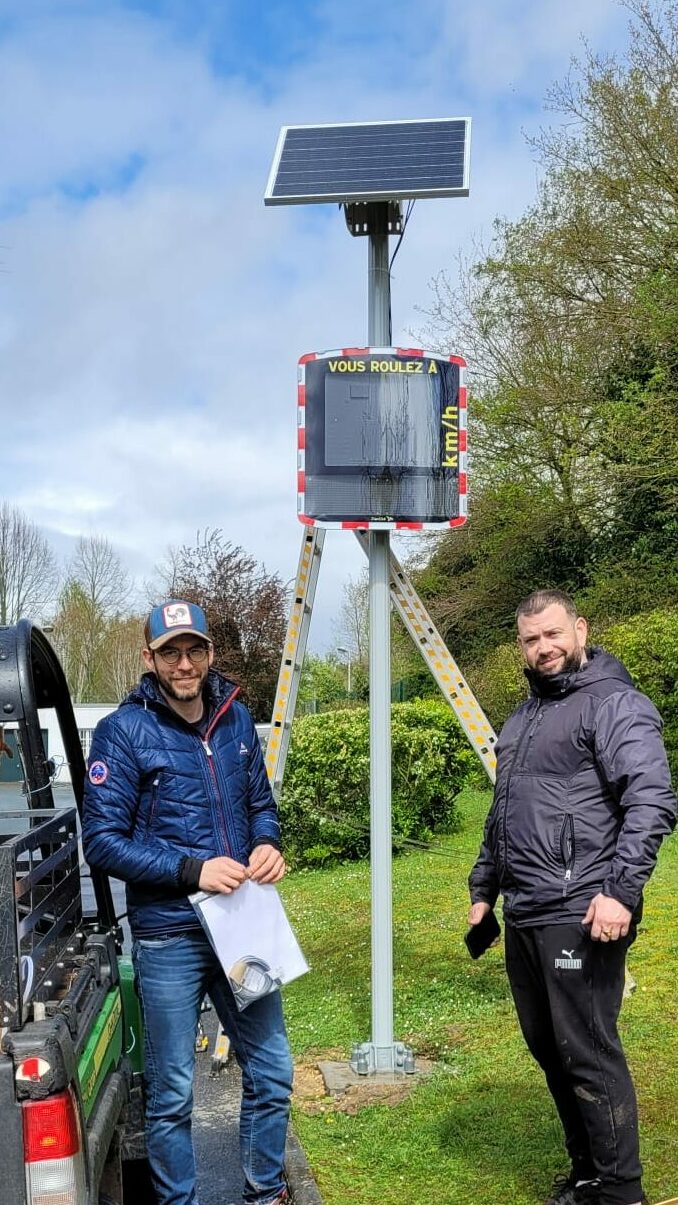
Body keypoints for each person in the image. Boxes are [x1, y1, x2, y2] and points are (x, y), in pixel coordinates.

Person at [468, 589, 676, 1205]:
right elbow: (502, 815)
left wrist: (619, 891)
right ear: (521, 647)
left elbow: (652, 800)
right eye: (532, 640)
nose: (544, 648)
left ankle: (620, 1192)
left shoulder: (614, 704)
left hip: (585, 908)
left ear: (580, 630)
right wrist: (484, 888)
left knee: (586, 1049)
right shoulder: (522, 718)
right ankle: (588, 1174)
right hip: (526, 908)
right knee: (549, 1048)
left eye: (554, 634)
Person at [82, 599, 293, 1205]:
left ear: (210, 653)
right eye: (170, 651)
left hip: (243, 927)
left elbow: (260, 807)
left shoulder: (235, 721)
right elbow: (101, 841)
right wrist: (192, 870)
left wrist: (268, 845)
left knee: (273, 1070)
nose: (184, 663)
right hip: (170, 935)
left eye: (194, 649)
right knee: (173, 1093)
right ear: (149, 658)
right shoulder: (125, 732)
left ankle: (264, 1191)